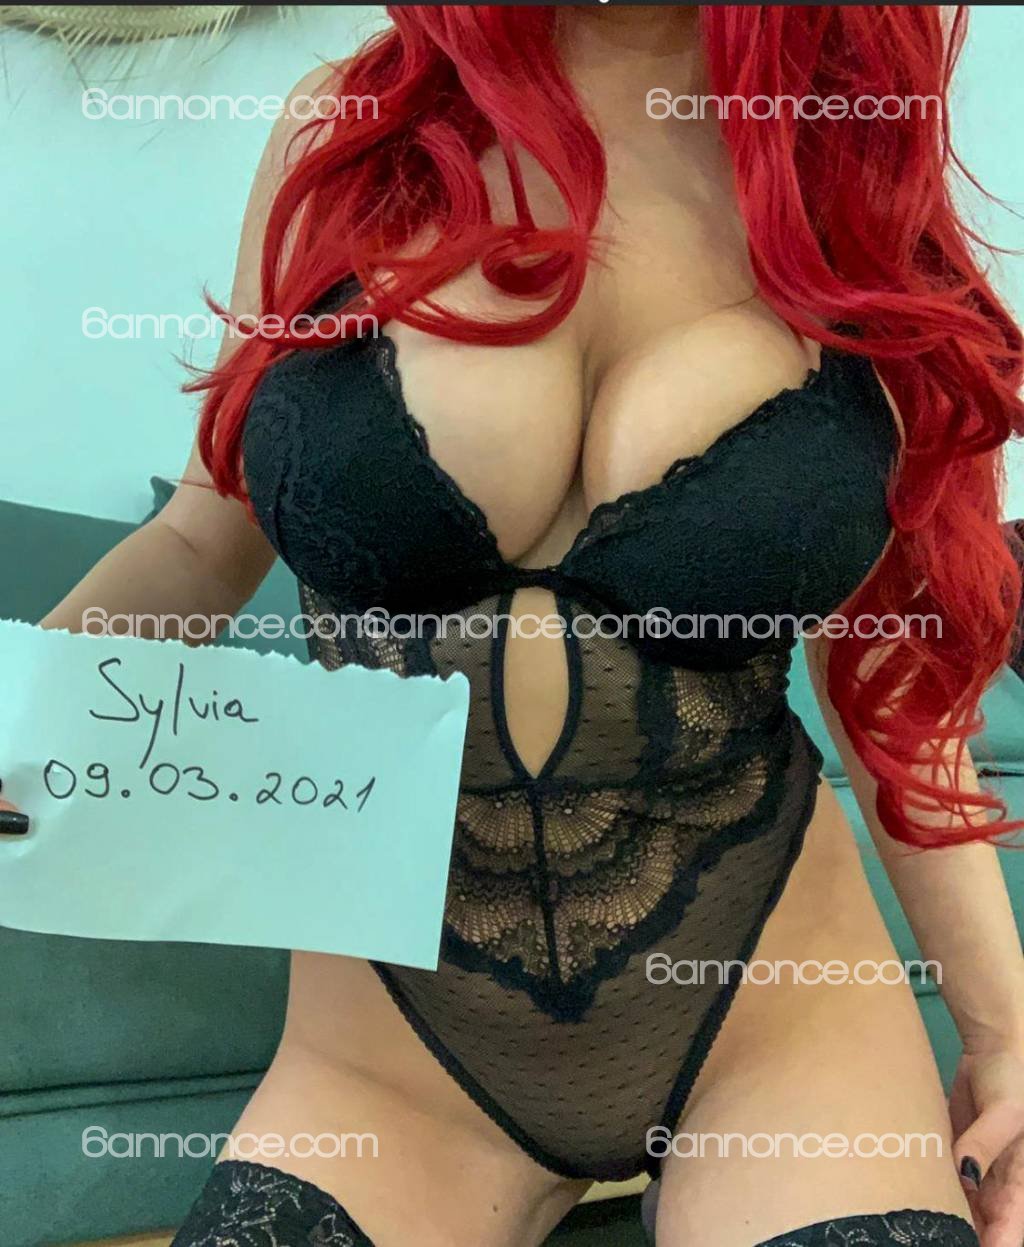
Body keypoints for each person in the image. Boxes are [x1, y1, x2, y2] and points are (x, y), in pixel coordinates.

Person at [4, 7, 1024, 1246]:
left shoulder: (839, 168)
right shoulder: (353, 133)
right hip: (393, 1054)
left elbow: (896, 670)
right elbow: (198, 541)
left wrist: (1004, 1033)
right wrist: (20, 718)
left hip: (773, 1019)